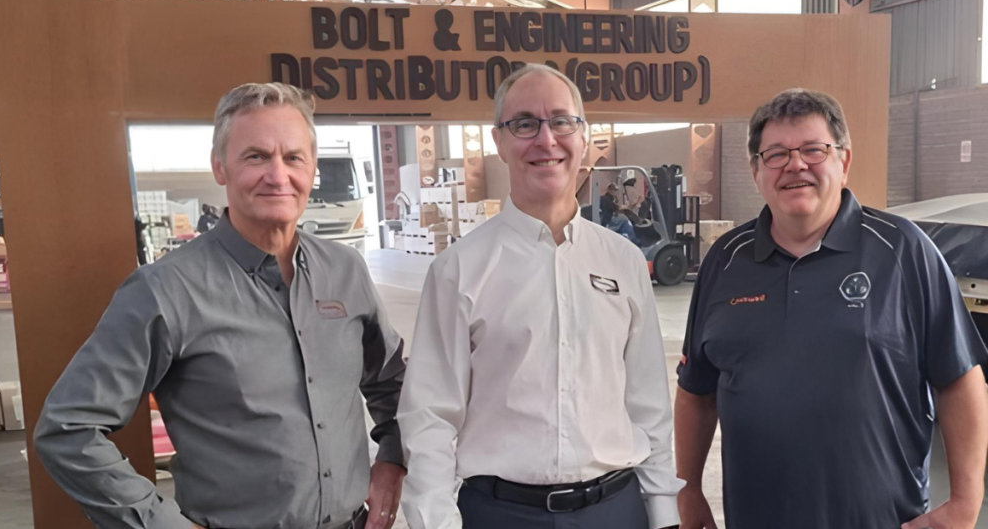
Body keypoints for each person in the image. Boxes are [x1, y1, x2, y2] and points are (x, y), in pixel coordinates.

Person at [35, 83, 407, 529]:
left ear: (311, 167)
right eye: (256, 157)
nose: (278, 176)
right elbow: (68, 428)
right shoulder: (166, 290)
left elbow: (391, 381)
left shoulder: (345, 270)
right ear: (219, 167)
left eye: (293, 157)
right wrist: (162, 524)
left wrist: (392, 457)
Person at [674, 88, 988, 529]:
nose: (795, 165)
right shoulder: (725, 260)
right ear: (756, 171)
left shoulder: (903, 250)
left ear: (844, 161)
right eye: (776, 154)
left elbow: (959, 379)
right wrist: (687, 489)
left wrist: (965, 504)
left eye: (813, 150)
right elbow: (696, 391)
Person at [398, 64, 682, 529]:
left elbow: (648, 402)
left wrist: (664, 512)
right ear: (499, 141)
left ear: (583, 137)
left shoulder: (624, 261)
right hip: (500, 515)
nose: (546, 140)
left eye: (562, 121)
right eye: (525, 123)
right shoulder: (458, 269)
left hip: (615, 510)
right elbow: (429, 416)